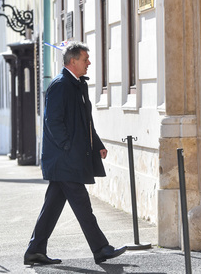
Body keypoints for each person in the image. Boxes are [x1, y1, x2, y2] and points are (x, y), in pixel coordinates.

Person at [24, 41, 127, 266]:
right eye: (85, 59)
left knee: (52, 207)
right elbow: (53, 121)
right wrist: (68, 147)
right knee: (82, 205)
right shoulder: (61, 85)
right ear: (72, 61)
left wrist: (96, 143)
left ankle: (35, 250)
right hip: (64, 158)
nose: (89, 63)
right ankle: (101, 248)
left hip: (66, 158)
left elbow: (86, 122)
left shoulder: (78, 85)